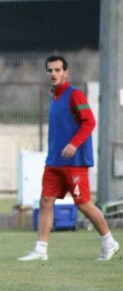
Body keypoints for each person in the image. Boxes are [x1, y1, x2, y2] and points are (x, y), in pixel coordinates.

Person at [17, 55, 119, 261]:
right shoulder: (53, 98)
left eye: (57, 70)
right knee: (46, 201)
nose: (53, 74)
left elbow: (89, 122)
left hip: (75, 163)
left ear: (66, 72)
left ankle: (109, 242)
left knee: (83, 204)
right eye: (50, 70)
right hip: (54, 162)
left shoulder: (75, 95)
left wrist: (74, 143)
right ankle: (40, 249)